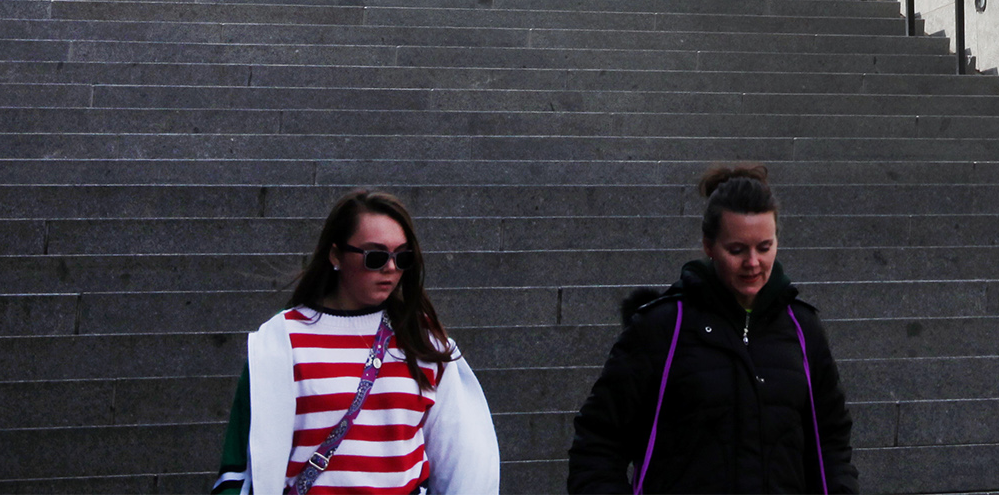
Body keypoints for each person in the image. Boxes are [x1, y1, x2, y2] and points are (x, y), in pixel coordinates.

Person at [567, 163, 856, 493]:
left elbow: (831, 444)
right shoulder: (663, 327)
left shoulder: (803, 328)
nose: (753, 263)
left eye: (764, 247)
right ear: (708, 246)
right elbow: (597, 443)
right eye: (736, 250)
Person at [209, 189, 499, 495]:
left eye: (402, 257)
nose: (391, 268)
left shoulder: (424, 342)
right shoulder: (281, 341)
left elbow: (463, 464)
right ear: (336, 255)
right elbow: (239, 469)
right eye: (375, 257)